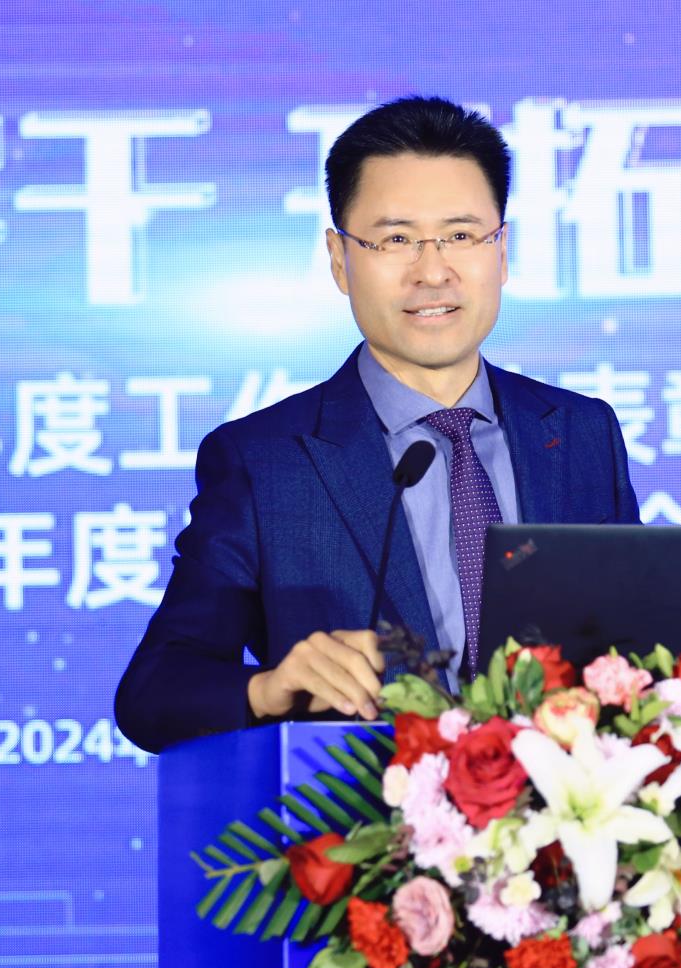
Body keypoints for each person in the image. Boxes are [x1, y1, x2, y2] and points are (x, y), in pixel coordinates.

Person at [115, 96, 638, 752]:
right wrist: (268, 689)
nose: (433, 271)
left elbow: (636, 651)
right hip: (368, 808)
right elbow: (154, 693)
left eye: (461, 236)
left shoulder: (581, 433)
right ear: (340, 259)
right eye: (395, 239)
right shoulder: (266, 461)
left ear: (501, 251)